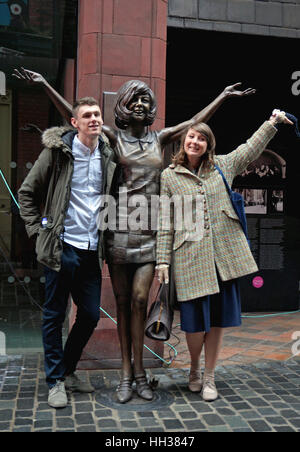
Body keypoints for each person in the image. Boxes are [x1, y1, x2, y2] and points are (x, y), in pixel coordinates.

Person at [13, 67, 255, 403]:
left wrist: (223, 98)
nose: (140, 103)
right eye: (134, 98)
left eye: (145, 98)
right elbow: (77, 116)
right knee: (124, 304)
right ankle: (127, 376)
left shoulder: (160, 138)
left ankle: (140, 373)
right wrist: (44, 87)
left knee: (141, 301)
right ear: (124, 105)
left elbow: (194, 123)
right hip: (117, 234)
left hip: (149, 235)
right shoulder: (113, 138)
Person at [156, 109, 292, 402]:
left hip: (223, 259)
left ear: (208, 145)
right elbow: (165, 221)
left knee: (216, 321)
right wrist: (162, 261)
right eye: (192, 136)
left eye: (202, 139)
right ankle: (193, 368)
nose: (195, 142)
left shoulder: (222, 166)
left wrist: (271, 122)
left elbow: (249, 149)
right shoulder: (169, 176)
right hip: (189, 258)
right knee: (193, 324)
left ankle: (209, 376)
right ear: (184, 141)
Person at [18, 97, 116, 408]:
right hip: (61, 248)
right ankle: (55, 381)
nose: (94, 119)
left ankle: (68, 369)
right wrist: (38, 232)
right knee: (54, 315)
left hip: (90, 249)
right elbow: (27, 194)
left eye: (97, 114)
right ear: (74, 123)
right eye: (87, 115)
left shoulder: (107, 154)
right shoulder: (57, 153)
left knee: (88, 315)